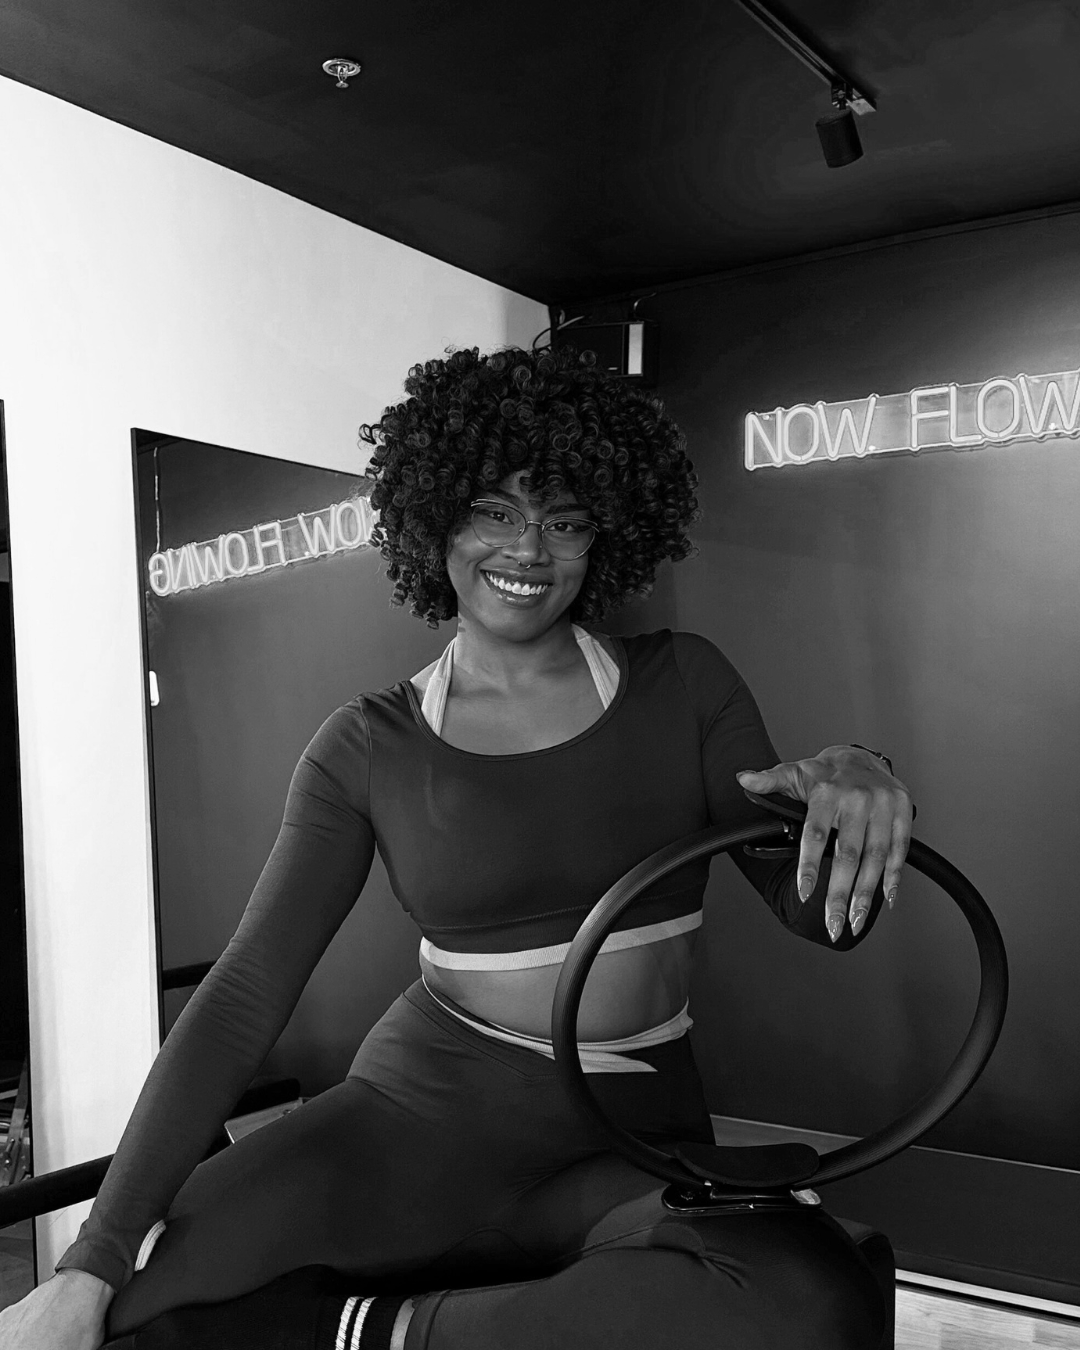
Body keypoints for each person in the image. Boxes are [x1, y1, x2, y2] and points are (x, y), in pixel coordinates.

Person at [0, 345, 911, 1350]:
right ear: (435, 518)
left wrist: (856, 781)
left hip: (626, 1136)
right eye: (493, 510)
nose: (528, 549)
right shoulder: (366, 743)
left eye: (564, 519)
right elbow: (246, 994)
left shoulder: (686, 686)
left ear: (607, 530)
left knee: (810, 1304)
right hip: (412, 1124)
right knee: (137, 1315)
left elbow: (821, 918)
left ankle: (368, 1333)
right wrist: (91, 1261)